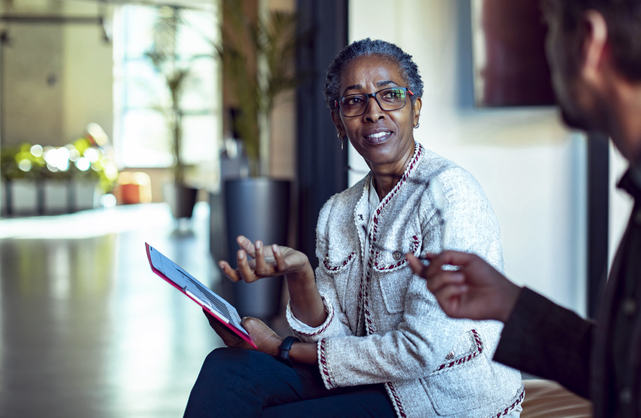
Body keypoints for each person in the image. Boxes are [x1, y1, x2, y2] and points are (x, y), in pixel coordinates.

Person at [407, 0, 641, 417]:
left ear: (590, 43)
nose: (546, 43)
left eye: (549, 21)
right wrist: (512, 306)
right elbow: (640, 373)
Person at [184, 38, 524, 417]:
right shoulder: (338, 212)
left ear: (416, 108)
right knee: (227, 369)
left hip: (445, 395)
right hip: (369, 378)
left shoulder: (450, 195)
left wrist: (281, 348)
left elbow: (421, 350)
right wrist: (299, 274)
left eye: (390, 95)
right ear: (338, 119)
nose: (374, 112)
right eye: (354, 100)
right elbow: (336, 339)